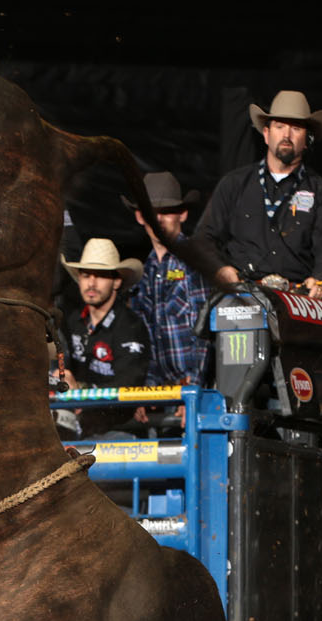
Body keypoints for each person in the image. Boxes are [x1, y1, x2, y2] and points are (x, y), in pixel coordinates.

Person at [197, 91, 322, 299]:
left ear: (307, 140)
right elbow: (203, 239)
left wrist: (320, 278)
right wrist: (221, 269)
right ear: (266, 134)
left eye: (296, 128)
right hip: (241, 295)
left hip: (297, 297)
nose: (286, 135)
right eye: (279, 126)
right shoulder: (234, 184)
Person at [122, 171, 212, 389]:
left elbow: (206, 333)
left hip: (196, 390)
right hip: (163, 392)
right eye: (151, 213)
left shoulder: (195, 261)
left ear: (183, 214)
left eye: (167, 212)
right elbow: (146, 339)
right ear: (140, 217)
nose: (159, 219)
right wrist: (147, 390)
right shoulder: (145, 272)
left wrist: (194, 389)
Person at [60, 237, 150, 436]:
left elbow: (129, 383)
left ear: (117, 281)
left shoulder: (130, 326)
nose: (91, 283)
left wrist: (81, 390)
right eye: (86, 275)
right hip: (77, 428)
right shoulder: (71, 321)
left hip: (119, 431)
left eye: (100, 275)